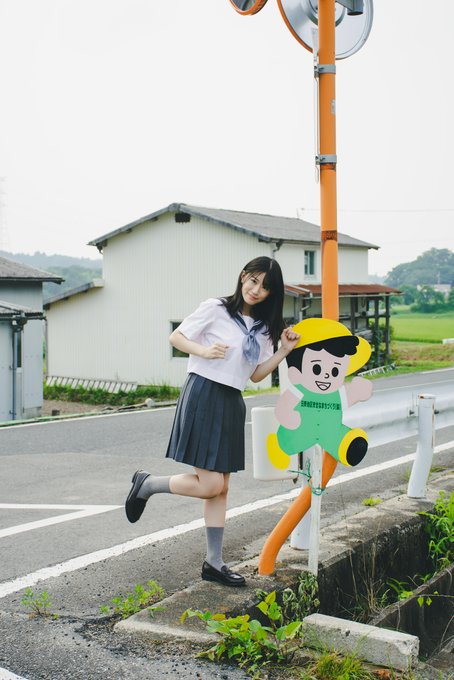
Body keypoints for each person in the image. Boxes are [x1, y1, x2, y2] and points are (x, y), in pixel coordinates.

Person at [125, 256, 299, 587]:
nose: (256, 290)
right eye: (253, 281)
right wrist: (203, 351)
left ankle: (214, 563)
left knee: (222, 488)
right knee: (211, 485)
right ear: (243, 276)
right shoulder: (216, 308)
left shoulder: (264, 329)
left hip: (232, 401)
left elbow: (256, 375)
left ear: (272, 294)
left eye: (265, 287)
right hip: (203, 392)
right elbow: (177, 337)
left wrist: (284, 351)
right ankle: (147, 485)